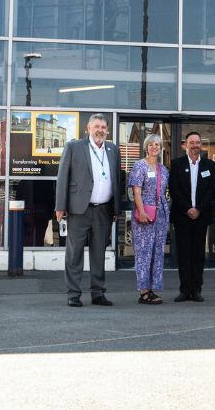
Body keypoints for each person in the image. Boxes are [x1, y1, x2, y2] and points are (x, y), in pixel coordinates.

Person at [54, 113, 123, 308]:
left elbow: (116, 180)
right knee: (74, 254)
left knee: (98, 254)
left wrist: (116, 207)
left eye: (103, 127)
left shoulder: (113, 150)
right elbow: (62, 178)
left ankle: (98, 293)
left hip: (103, 210)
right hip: (78, 210)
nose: (100, 130)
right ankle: (74, 294)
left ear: (107, 130)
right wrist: (61, 206)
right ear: (88, 129)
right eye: (96, 127)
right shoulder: (74, 147)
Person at [168, 131, 215, 302]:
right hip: (182, 216)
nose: (195, 145)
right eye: (192, 142)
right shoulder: (177, 164)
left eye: (198, 142)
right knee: (183, 254)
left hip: (201, 216)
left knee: (198, 254)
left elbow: (211, 191)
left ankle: (196, 290)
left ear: (201, 145)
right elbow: (174, 189)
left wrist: (198, 209)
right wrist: (188, 208)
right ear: (185, 145)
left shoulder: (209, 165)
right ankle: (184, 289)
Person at [128, 133, 170, 305]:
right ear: (146, 147)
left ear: (161, 149)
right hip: (144, 213)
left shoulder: (163, 169)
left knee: (157, 252)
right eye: (151, 144)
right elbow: (136, 191)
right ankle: (144, 291)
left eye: (157, 145)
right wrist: (142, 211)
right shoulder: (139, 166)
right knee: (144, 252)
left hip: (160, 214)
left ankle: (152, 287)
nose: (154, 147)